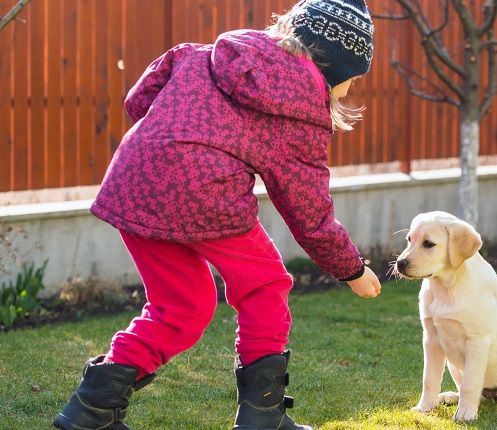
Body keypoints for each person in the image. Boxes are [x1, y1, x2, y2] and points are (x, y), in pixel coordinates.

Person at [53, 1, 380, 429]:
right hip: (205, 192)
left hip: (136, 180)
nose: (352, 87)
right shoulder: (302, 106)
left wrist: (178, 137)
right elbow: (308, 210)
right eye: (354, 76)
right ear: (335, 63)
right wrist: (351, 269)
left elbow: (139, 100)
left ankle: (91, 409)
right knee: (264, 285)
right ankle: (262, 415)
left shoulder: (206, 52)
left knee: (183, 305)